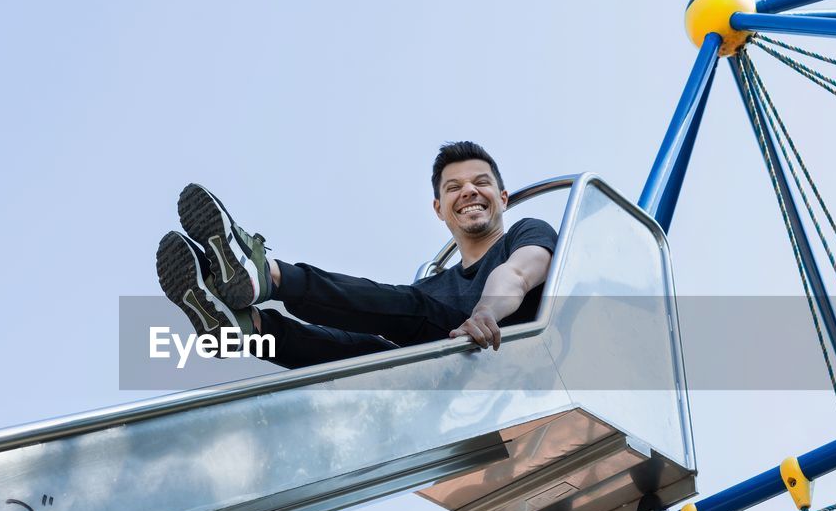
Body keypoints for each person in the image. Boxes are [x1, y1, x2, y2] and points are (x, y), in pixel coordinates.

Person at [155, 141, 557, 369]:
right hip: (444, 376)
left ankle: (269, 276)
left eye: (480, 183)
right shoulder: (433, 284)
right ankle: (249, 327)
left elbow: (519, 274)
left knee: (412, 306)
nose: (468, 191)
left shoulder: (526, 232)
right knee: (360, 347)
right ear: (439, 209)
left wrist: (486, 312)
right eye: (454, 187)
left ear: (502, 198)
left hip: (511, 360)